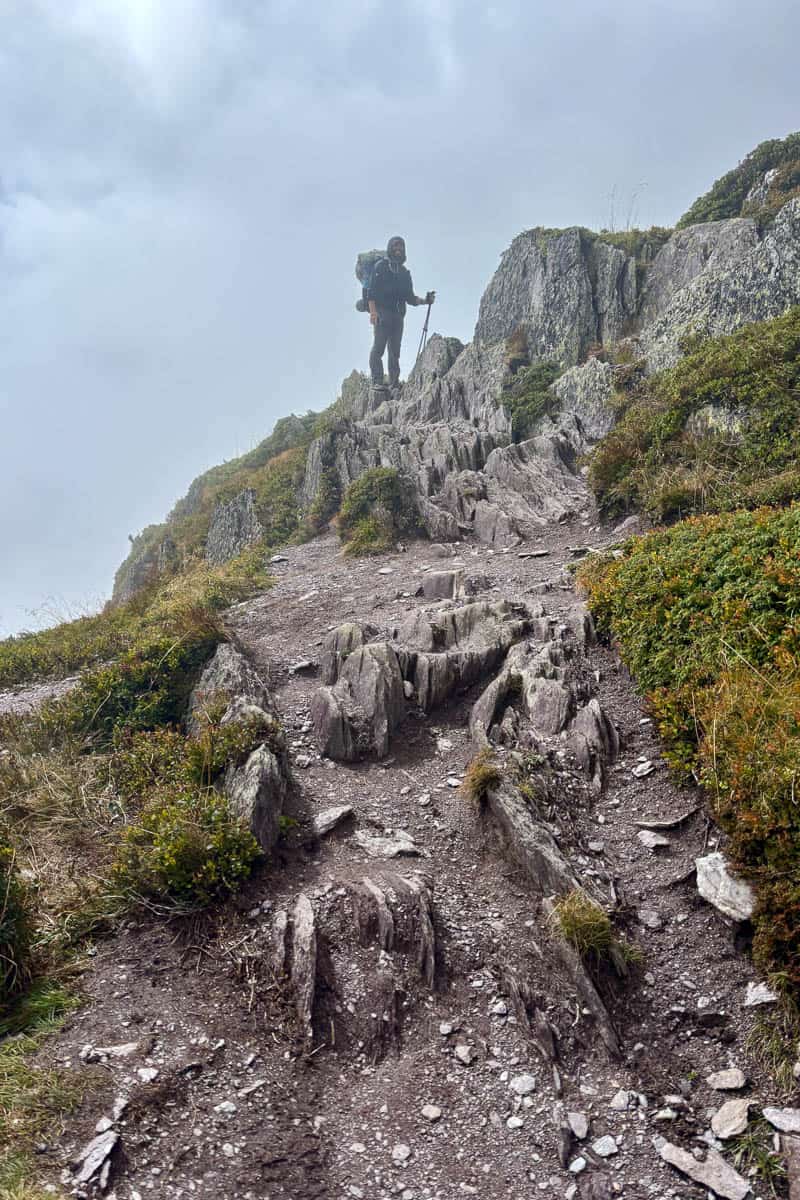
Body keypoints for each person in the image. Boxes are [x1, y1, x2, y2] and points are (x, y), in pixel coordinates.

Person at [366, 236, 435, 388]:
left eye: (401, 246)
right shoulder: (380, 267)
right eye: (396, 246)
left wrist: (426, 300)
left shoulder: (405, 273)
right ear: (390, 248)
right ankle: (377, 381)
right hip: (382, 313)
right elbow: (371, 293)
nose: (399, 249)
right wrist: (373, 313)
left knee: (394, 352)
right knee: (379, 347)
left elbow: (410, 298)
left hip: (398, 316)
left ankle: (394, 383)